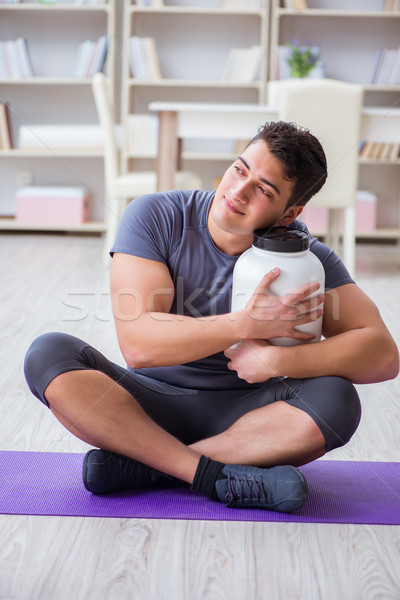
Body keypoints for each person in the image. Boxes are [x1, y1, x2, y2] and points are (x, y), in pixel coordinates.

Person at [24, 121, 399, 513]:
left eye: (263, 190)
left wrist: (281, 360)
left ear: (290, 213)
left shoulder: (306, 260)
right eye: (240, 170)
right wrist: (247, 323)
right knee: (48, 354)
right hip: (150, 404)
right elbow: (138, 345)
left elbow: (383, 354)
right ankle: (213, 476)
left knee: (338, 398)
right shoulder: (154, 216)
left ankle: (148, 465)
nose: (238, 192)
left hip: (255, 418)